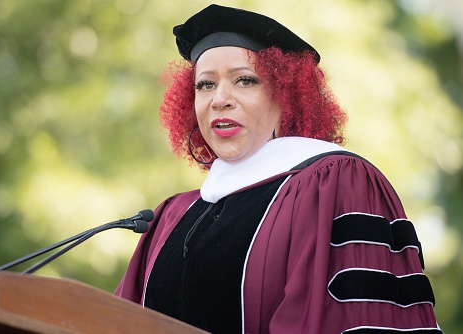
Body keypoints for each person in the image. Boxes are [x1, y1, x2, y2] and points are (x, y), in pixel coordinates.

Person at [115, 4, 442, 334]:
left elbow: (364, 316)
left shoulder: (337, 184)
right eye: (205, 85)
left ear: (287, 94)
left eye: (244, 80)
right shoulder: (171, 216)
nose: (219, 99)